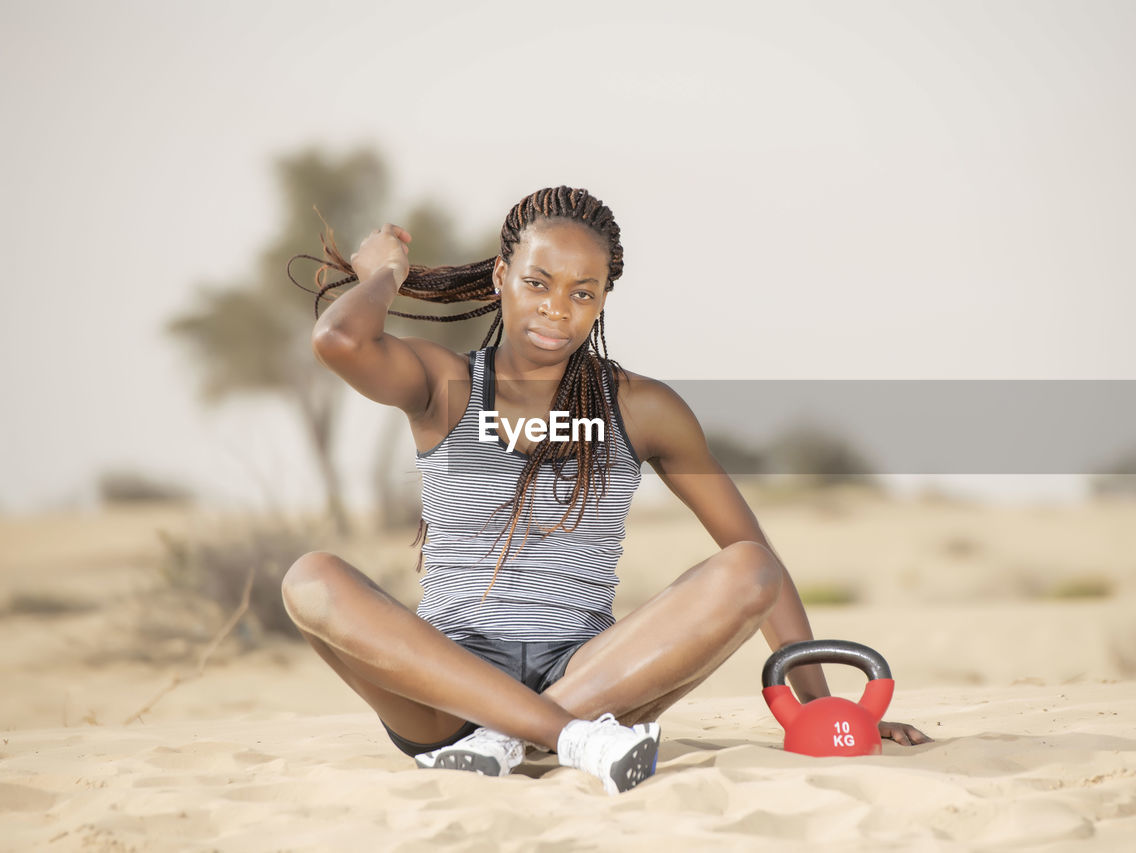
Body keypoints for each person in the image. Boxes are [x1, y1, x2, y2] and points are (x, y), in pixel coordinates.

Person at [282, 186, 930, 796]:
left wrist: (819, 709)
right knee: (311, 577)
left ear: (601, 302)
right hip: (446, 693)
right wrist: (383, 272)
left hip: (592, 678)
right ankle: (555, 737)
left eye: (582, 292)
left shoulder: (643, 407)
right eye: (537, 282)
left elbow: (752, 556)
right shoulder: (441, 382)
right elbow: (339, 339)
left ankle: (511, 737)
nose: (556, 309)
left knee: (751, 566)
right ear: (500, 277)